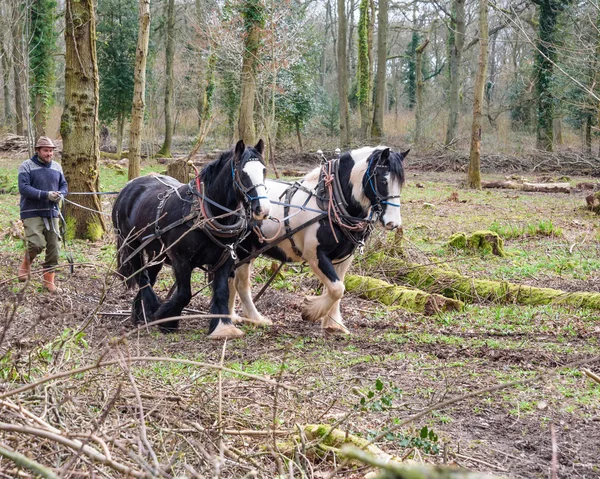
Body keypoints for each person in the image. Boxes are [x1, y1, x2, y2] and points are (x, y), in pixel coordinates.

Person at [17, 136, 68, 293]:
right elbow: (23, 188)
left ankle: (48, 282)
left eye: (51, 151)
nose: (49, 154)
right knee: (36, 244)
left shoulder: (57, 167)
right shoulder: (26, 166)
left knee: (54, 247)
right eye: (46, 150)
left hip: (52, 212)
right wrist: (45, 195)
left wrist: (61, 194)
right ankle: (26, 264)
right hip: (31, 211)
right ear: (37, 150)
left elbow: (64, 185)